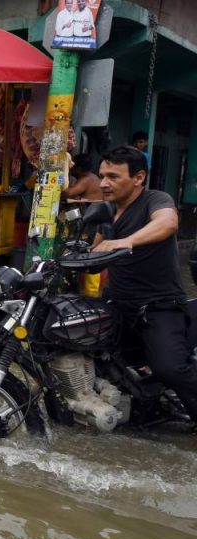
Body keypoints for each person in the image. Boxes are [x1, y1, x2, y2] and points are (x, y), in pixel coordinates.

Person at [92, 146, 197, 425]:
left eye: (113, 177)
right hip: (117, 305)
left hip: (158, 306)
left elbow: (167, 223)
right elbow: (96, 254)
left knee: (169, 368)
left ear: (138, 178)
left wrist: (127, 241)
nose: (103, 183)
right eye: (102, 176)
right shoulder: (107, 212)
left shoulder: (155, 199)